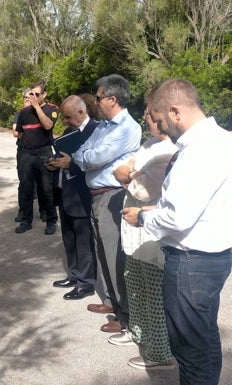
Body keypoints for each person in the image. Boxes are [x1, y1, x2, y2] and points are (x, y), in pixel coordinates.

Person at [123, 78, 232, 384]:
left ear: (174, 111)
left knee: (190, 350)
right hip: (215, 255)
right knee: (205, 337)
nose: (160, 127)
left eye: (158, 120)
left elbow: (178, 217)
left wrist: (143, 219)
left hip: (190, 261)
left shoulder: (199, 150)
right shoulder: (223, 139)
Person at [69, 74, 141, 333]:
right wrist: (87, 157)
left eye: (98, 98)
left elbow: (94, 158)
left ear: (112, 99)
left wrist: (86, 158)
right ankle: (110, 301)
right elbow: (85, 151)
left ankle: (125, 314)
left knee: (114, 255)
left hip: (112, 195)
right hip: (96, 195)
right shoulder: (103, 126)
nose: (95, 103)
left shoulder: (127, 128)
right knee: (101, 251)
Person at [109, 98, 176, 370]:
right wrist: (131, 173)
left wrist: (131, 175)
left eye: (150, 114)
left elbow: (145, 190)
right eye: (146, 113)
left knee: (153, 293)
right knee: (134, 285)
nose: (146, 117)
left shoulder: (171, 150)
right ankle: (138, 334)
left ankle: (160, 354)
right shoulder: (148, 145)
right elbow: (119, 171)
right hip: (133, 230)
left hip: (151, 233)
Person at [46, 95, 98, 300]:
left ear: (81, 112)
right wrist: (53, 163)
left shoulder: (97, 131)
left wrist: (71, 164)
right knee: (69, 237)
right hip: (65, 192)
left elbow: (97, 162)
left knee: (83, 241)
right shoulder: (68, 133)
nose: (65, 122)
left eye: (68, 117)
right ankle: (74, 275)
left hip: (82, 194)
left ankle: (86, 283)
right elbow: (63, 157)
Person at [13, 81, 59, 235]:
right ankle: (26, 220)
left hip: (44, 152)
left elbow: (48, 126)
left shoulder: (52, 109)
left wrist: (37, 108)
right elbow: (19, 132)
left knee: (46, 188)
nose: (33, 97)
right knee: (26, 188)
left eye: (37, 94)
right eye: (31, 94)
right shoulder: (24, 112)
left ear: (44, 94)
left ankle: (51, 220)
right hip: (26, 153)